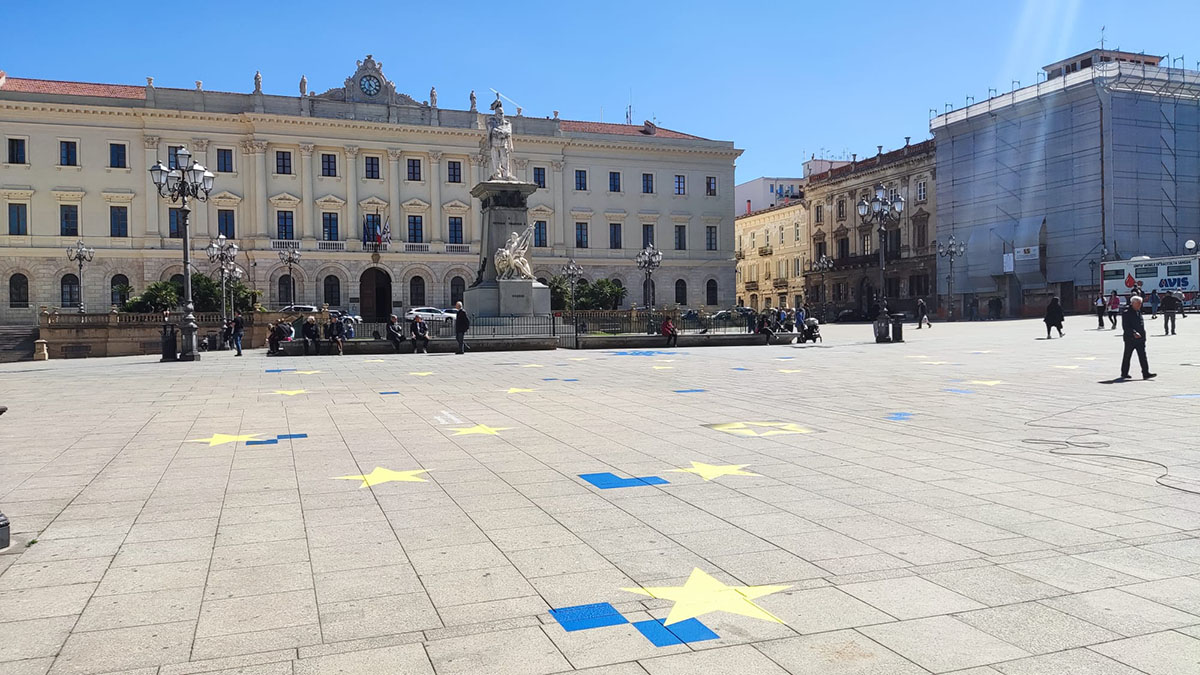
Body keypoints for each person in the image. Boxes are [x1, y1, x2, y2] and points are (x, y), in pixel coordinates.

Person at [1120, 295, 1155, 380]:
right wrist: (1133, 333)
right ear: (1132, 303)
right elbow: (1126, 326)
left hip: (1140, 339)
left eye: (1140, 304)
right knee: (1127, 356)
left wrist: (1143, 336)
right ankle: (1124, 373)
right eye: (1138, 304)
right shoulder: (1126, 313)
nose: (1140, 305)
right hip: (1130, 339)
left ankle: (1146, 373)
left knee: (1143, 356)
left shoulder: (1139, 311)